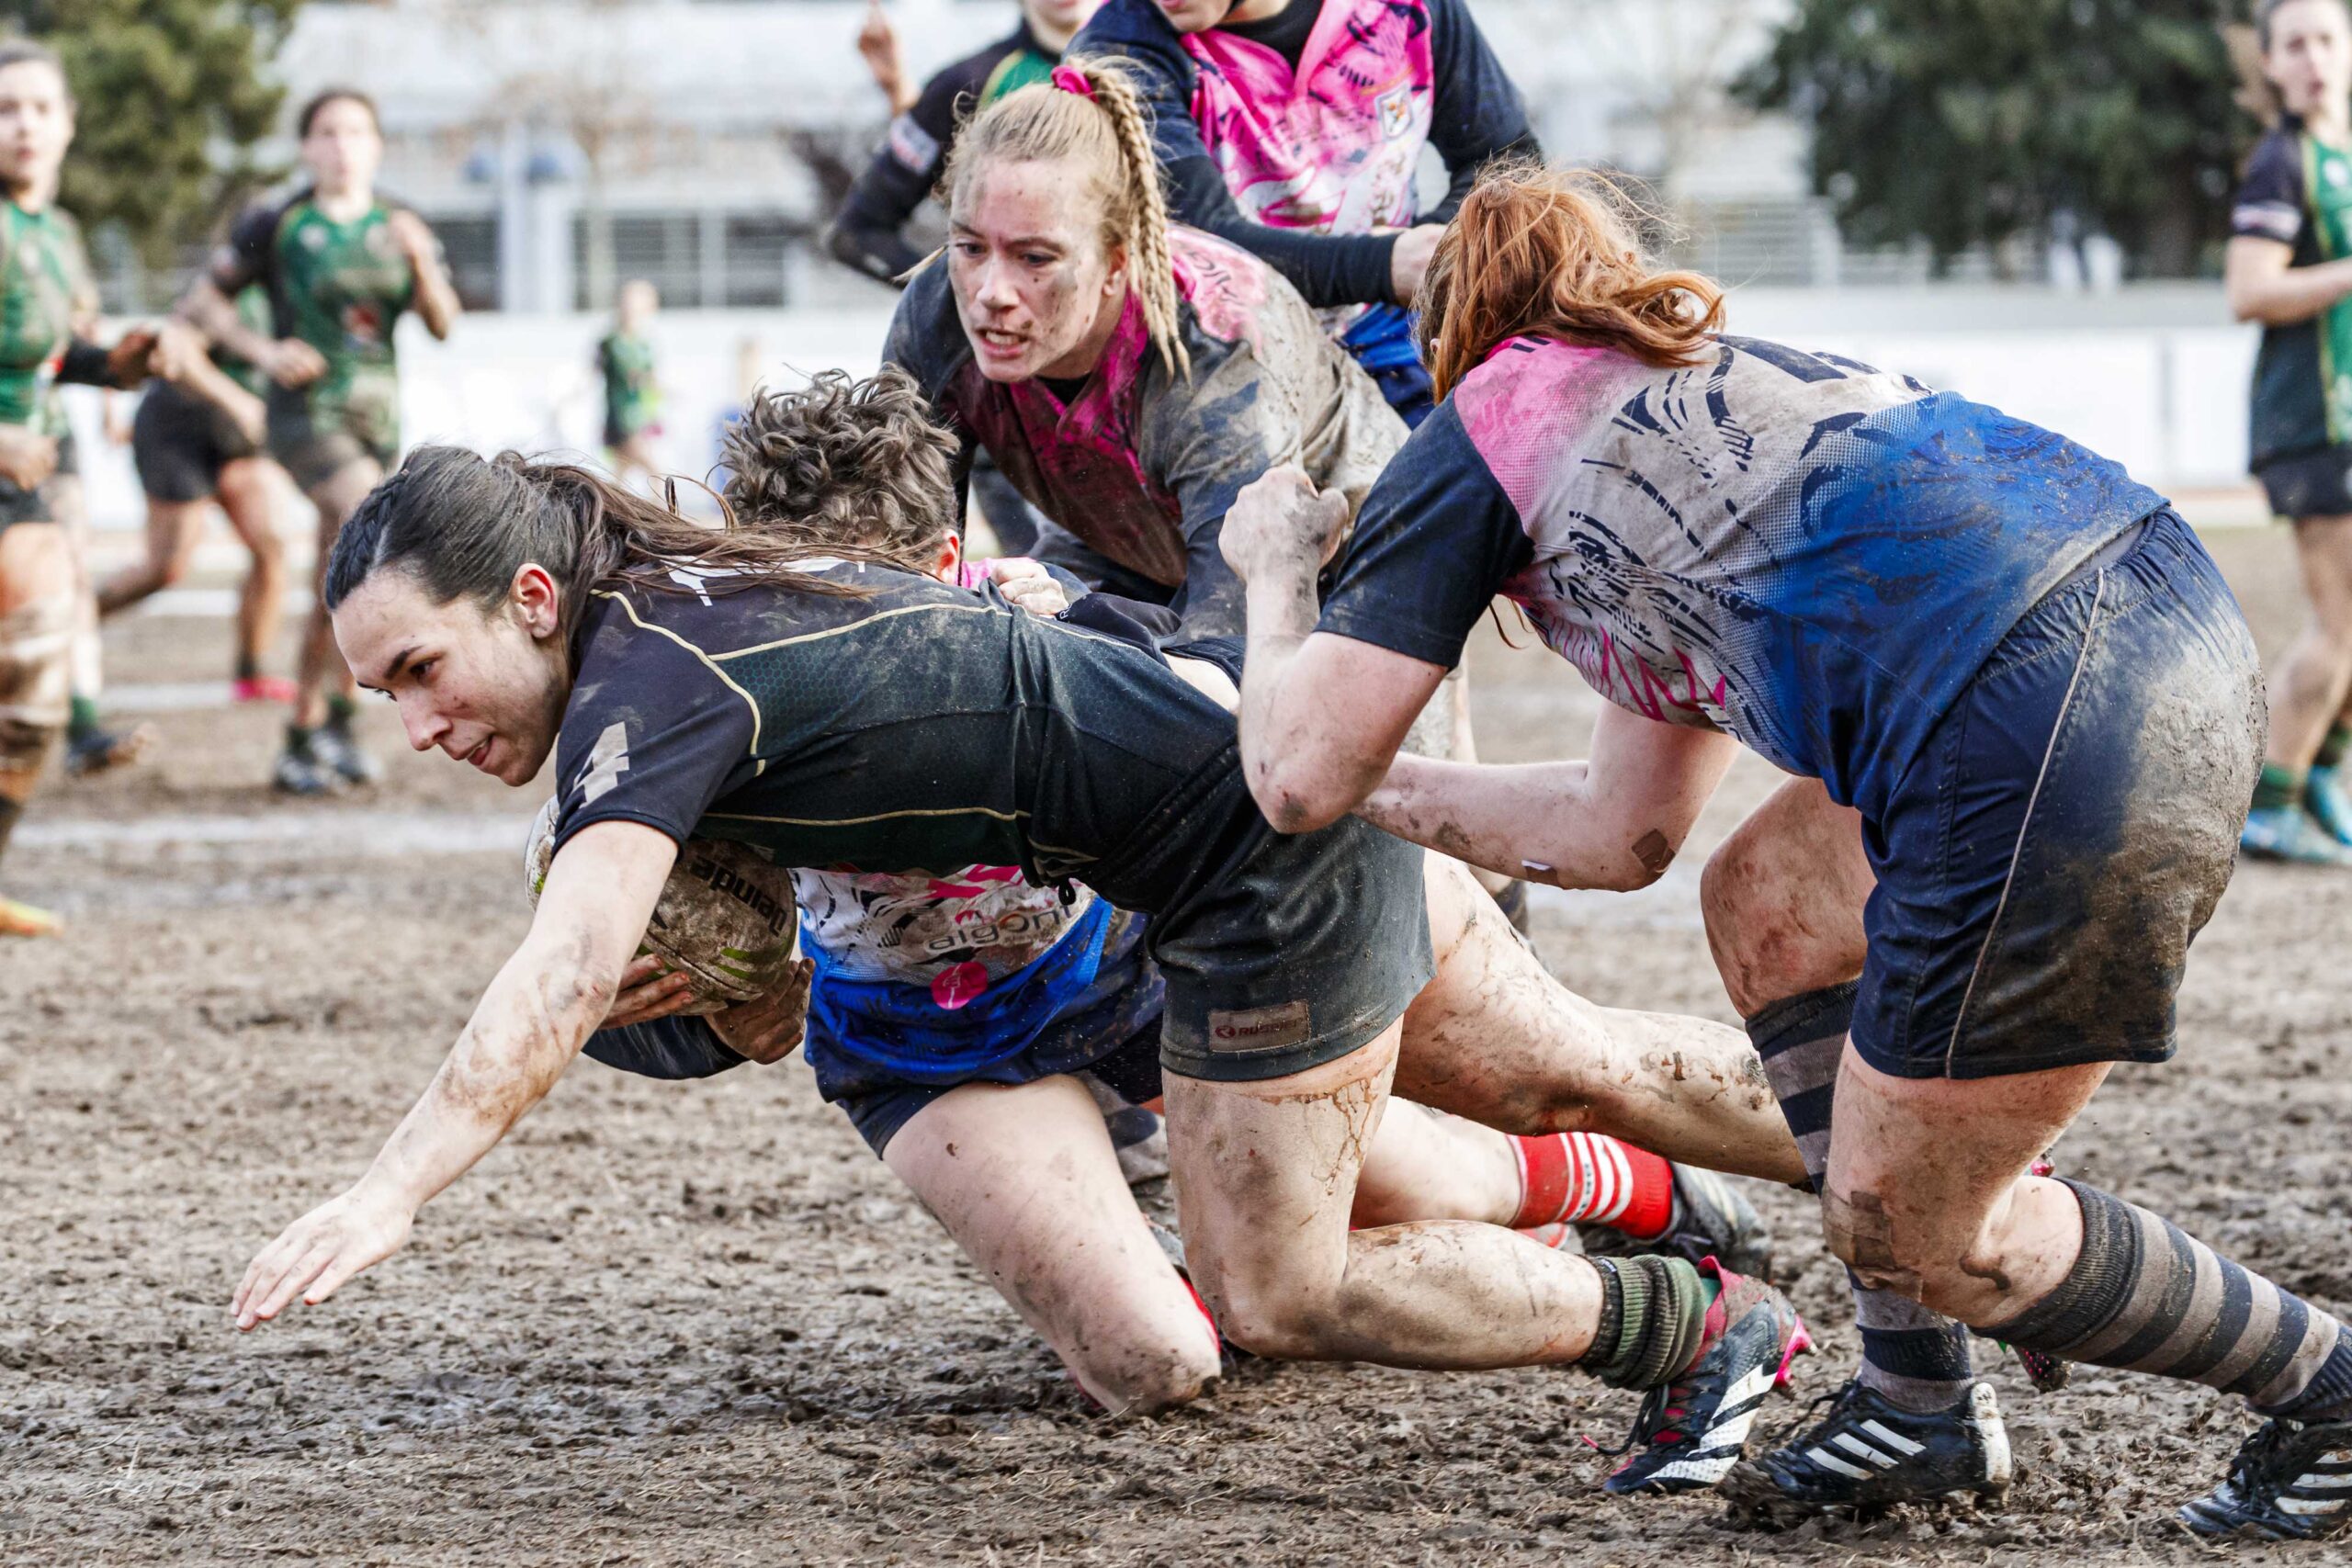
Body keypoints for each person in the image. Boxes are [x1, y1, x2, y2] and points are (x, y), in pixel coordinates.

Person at [231, 410, 1829, 1490]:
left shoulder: (653, 679)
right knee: (1173, 1342)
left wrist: (386, 1190)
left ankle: (1751, 1288)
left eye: (423, 672)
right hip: (1090, 938)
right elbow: (686, 994)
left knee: (1382, 1207)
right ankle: (1896, 1192)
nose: (420, 726)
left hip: (1230, 864)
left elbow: (562, 976)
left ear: (528, 597)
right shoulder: (646, 663)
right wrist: (744, 992)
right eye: (382, 697)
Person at [1217, 161, 2352, 1539]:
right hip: (2166, 610)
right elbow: (1619, 830)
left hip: (2029, 718)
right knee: (1770, 900)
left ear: (1460, 333)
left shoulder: (1484, 420)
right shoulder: (1702, 386)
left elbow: (1293, 773)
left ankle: (2329, 1383)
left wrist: (1273, 572)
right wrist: (1388, 788)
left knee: (1918, 1226)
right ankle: (1915, 1401)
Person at [579, 369, 1772, 1413]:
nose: (812, 635)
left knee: (1432, 1178)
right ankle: (1176, 1224)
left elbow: (1242, 750)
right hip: (930, 1045)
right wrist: (713, 1020)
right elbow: (636, 988)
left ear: (940, 564)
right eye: (785, 590)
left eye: (849, 595)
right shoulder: (711, 686)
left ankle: (1638, 1190)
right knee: (1157, 1359)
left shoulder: (1043, 630)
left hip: (1136, 974)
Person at [1069, 0, 1537, 424]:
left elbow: (1508, 158)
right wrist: (1391, 263)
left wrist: (1436, 248)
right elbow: (1203, 245)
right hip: (1230, 364)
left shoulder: (1407, 10)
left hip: (1403, 331)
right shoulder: (1120, 52)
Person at [185, 85, 460, 796]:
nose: (342, 145)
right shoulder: (278, 219)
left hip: (377, 413)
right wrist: (264, 348)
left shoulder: (400, 221)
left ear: (377, 145)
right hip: (305, 411)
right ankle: (314, 727)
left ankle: (322, 724)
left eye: (356, 132)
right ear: (307, 146)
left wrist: (423, 263)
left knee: (343, 569)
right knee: (361, 527)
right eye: (328, 132)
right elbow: (203, 301)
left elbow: (443, 323)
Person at [0, 42, 205, 934]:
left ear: (69, 124)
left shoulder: (57, 234)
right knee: (41, 658)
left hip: (36, 472)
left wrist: (117, 365)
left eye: (41, 108)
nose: (25, 126)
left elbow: (55, 358)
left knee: (35, 693)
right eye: (7, 108)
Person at [829, 0, 1102, 556]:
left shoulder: (1170, 70)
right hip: (1010, 411)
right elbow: (858, 231)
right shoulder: (968, 83)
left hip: (1136, 397)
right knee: (1046, 601)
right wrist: (965, 300)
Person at [2228, 0, 2352, 865]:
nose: (2312, 58)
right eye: (2295, 44)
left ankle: (2318, 772)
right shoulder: (2283, 164)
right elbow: (2250, 291)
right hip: (2314, 424)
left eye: (2326, 40)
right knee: (2345, 626)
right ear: (2271, 65)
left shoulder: (2343, 159)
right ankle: (2272, 797)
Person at [97, 287, 295, 705]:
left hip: (239, 439)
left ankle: (252, 672)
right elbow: (180, 354)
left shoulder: (305, 286)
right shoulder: (228, 286)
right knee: (165, 569)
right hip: (177, 430)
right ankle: (72, 628)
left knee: (271, 545)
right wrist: (238, 401)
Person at [596, 279, 662, 486]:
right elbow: (631, 376)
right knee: (652, 470)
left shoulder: (642, 343)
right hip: (623, 416)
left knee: (622, 470)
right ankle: (661, 512)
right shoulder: (613, 343)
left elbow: (650, 379)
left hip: (638, 414)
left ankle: (609, 511)